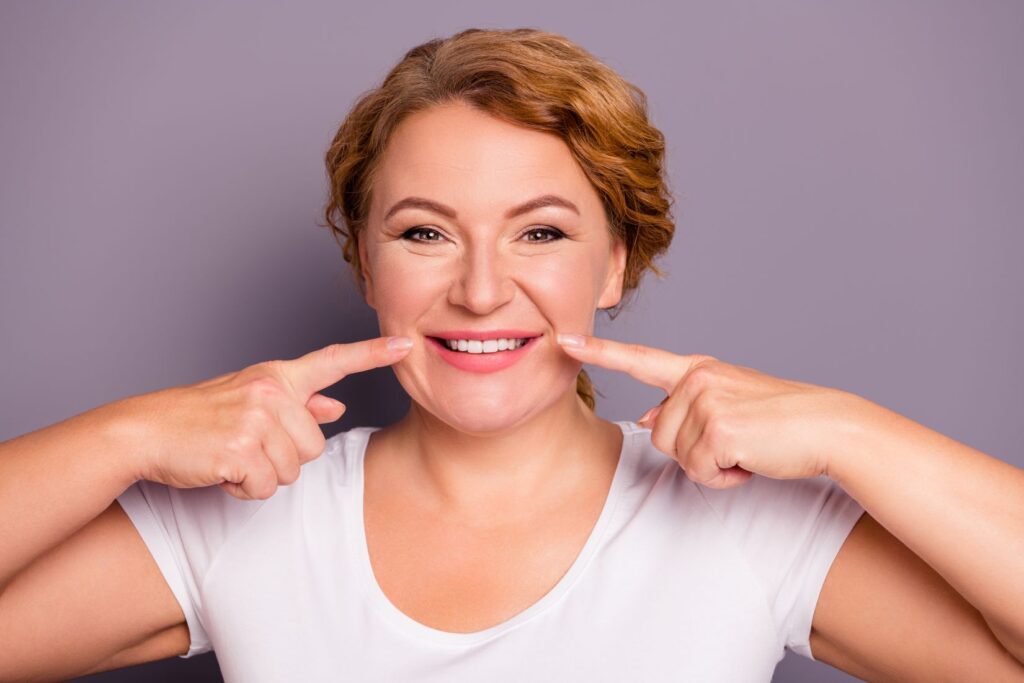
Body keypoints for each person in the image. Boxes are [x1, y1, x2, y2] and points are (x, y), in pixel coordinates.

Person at [1, 27, 1022, 683]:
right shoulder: (249, 518)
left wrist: (850, 430)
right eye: (423, 232)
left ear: (615, 262)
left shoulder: (744, 520)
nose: (482, 289)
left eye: (539, 232)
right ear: (366, 263)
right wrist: (127, 433)